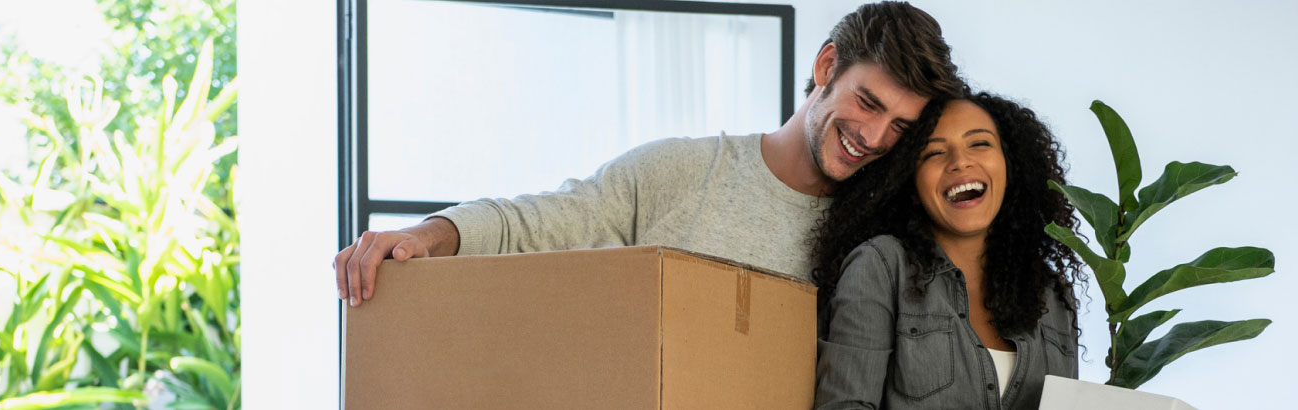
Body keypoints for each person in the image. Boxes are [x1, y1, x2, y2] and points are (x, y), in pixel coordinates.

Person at [335, 1, 966, 307]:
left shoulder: (879, 233)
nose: (876, 137)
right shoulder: (684, 172)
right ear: (826, 65)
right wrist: (429, 234)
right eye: (869, 103)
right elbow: (549, 219)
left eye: (900, 128)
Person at [809, 91, 1086, 409]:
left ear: (1010, 167)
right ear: (910, 186)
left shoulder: (1052, 294)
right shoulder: (882, 266)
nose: (960, 162)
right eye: (933, 154)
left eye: (979, 144)